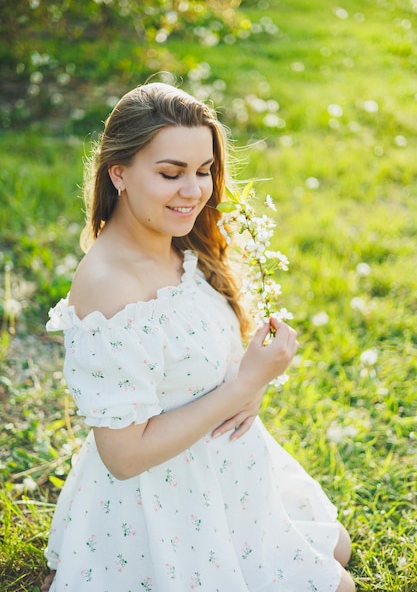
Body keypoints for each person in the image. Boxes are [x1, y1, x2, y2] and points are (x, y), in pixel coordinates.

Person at [41, 81, 355, 592]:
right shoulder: (109, 290)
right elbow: (123, 458)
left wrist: (252, 381)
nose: (194, 191)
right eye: (171, 173)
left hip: (227, 468)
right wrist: (243, 387)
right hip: (162, 498)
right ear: (118, 173)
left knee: (337, 547)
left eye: (204, 171)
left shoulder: (181, 246)